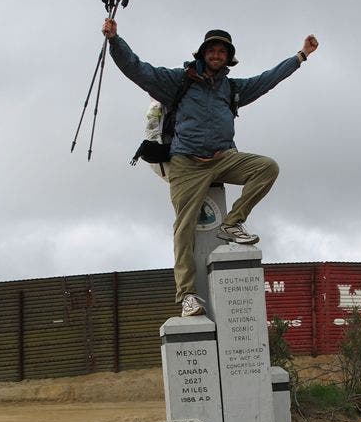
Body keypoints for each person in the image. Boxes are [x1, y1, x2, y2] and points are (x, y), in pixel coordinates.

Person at [103, 20, 319, 316]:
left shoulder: (232, 89)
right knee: (184, 226)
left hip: (222, 158)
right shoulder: (178, 81)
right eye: (212, 50)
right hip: (186, 163)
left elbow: (268, 79)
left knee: (267, 168)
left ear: (228, 57)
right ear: (203, 53)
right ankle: (187, 295)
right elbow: (138, 69)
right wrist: (115, 40)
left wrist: (300, 56)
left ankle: (232, 222)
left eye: (222, 51)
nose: (217, 54)